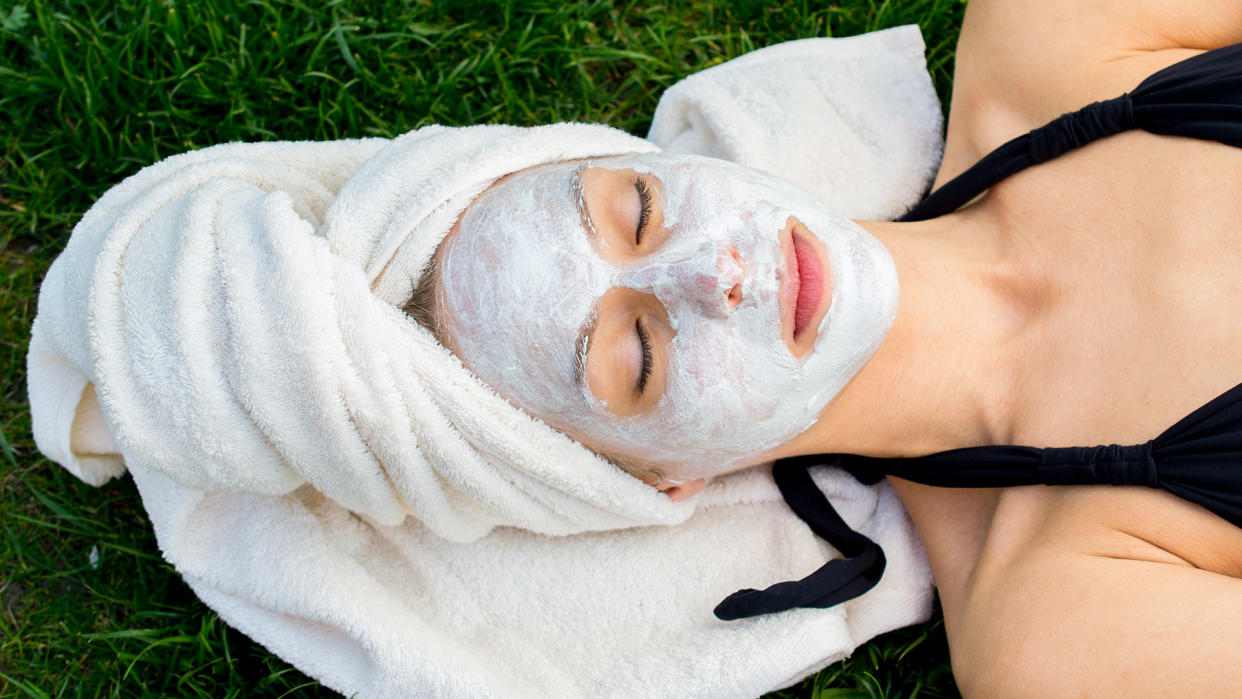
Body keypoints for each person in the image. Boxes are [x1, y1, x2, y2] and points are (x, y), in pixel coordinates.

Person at [408, 1, 1242, 695]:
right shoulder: (1065, 633)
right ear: (660, 480)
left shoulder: (1062, 27)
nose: (715, 271)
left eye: (637, 210)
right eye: (637, 354)